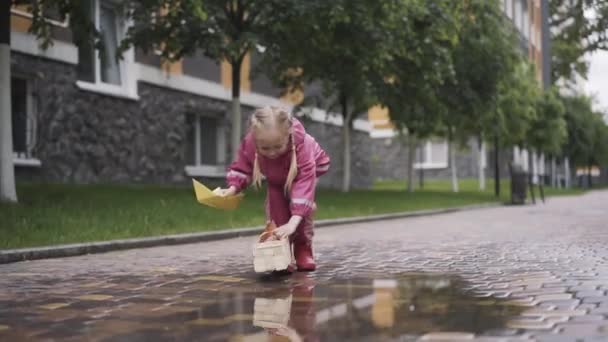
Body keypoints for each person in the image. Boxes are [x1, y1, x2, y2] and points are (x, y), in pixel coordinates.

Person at [215, 106, 330, 271]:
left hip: (303, 172)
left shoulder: (303, 145)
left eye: (278, 146)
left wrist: (293, 222)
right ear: (256, 141)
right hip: (276, 178)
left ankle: (303, 248)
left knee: (302, 210)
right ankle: (282, 253)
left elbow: (304, 185)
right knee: (277, 212)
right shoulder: (252, 141)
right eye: (265, 148)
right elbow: (243, 165)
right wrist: (232, 189)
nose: (272, 153)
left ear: (288, 136)